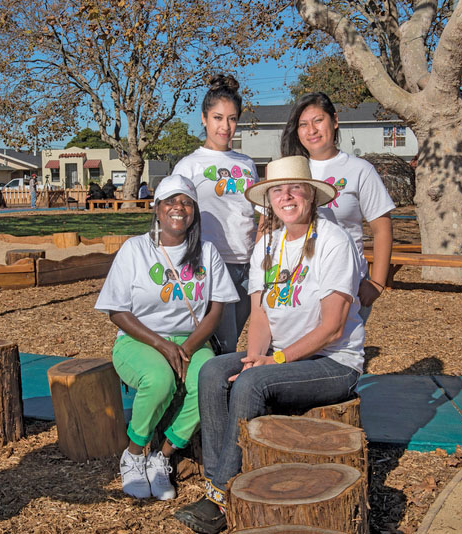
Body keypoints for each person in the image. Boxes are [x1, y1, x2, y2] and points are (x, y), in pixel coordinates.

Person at [173, 156, 365, 534]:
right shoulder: (268, 245)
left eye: (295, 188)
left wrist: (273, 361)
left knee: (252, 383)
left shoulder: (334, 241)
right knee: (213, 371)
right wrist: (257, 355)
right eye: (278, 189)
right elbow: (259, 316)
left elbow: (332, 327)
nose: (287, 196)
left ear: (311, 195)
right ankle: (217, 483)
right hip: (282, 356)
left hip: (334, 363)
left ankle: (223, 497)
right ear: (269, 200)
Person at [95, 174, 239, 501]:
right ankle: (133, 455)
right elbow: (117, 311)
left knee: (212, 382)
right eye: (170, 201)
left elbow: (215, 310)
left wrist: (186, 349)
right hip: (141, 340)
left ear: (194, 212)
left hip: (192, 340)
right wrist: (162, 345)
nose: (179, 208)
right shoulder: (135, 249)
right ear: (157, 209)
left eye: (186, 202)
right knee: (160, 379)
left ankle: (163, 455)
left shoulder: (206, 251)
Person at [281, 92, 395, 323]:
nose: (311, 130)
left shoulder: (360, 170)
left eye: (318, 120)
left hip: (347, 284)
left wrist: (377, 283)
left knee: (339, 356)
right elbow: (268, 227)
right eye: (303, 124)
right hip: (296, 284)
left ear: (334, 121)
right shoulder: (288, 170)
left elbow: (382, 229)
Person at [172, 74, 258, 353]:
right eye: (218, 118)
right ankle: (216, 395)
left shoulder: (247, 163)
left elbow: (257, 211)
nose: (225, 126)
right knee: (225, 344)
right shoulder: (189, 165)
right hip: (212, 264)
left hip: (249, 264)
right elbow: (174, 215)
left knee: (242, 337)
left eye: (232, 119)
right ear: (204, 118)